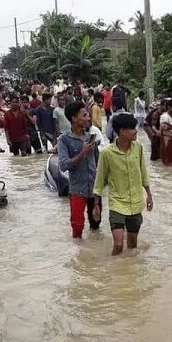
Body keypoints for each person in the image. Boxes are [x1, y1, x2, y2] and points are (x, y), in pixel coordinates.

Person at [93, 112, 153, 255]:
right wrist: (96, 204)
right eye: (132, 129)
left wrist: (149, 195)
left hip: (135, 202)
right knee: (118, 245)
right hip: (117, 203)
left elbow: (143, 171)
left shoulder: (138, 147)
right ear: (122, 131)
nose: (136, 131)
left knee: (132, 246)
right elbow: (99, 180)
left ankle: (129, 274)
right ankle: (114, 272)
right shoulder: (106, 153)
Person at [57, 100, 102, 238]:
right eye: (84, 116)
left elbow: (98, 163)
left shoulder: (91, 138)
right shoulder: (64, 140)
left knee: (96, 223)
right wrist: (82, 153)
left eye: (88, 115)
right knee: (77, 227)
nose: (88, 118)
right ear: (74, 119)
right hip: (78, 189)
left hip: (94, 189)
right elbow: (64, 166)